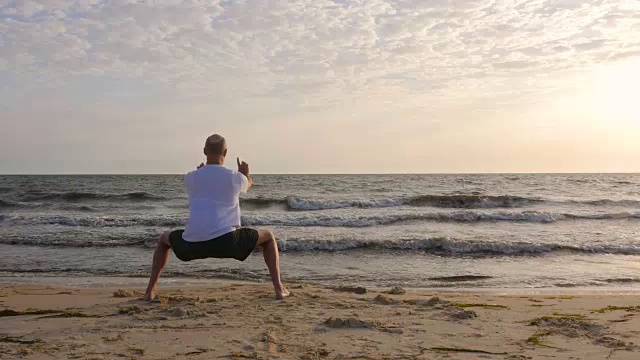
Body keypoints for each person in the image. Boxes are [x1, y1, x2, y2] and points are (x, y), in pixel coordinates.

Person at [144, 134, 289, 300]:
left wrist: (200, 172)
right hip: (228, 243)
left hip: (191, 245)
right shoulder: (235, 177)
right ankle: (279, 289)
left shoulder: (190, 177)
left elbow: (200, 183)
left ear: (204, 151)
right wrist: (245, 174)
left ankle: (150, 291)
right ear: (225, 152)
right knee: (269, 237)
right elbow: (248, 185)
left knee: (164, 239)